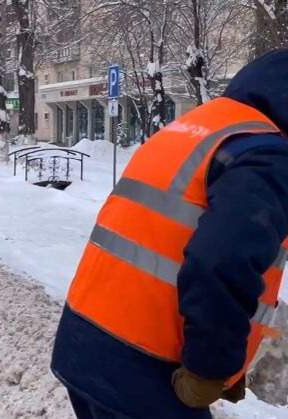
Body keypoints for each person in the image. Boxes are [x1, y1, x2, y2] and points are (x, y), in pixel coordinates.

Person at [52, 49, 288, 419]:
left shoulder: (202, 126)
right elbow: (223, 263)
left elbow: (163, 236)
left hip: (85, 340)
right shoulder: (267, 157)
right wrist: (210, 365)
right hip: (145, 369)